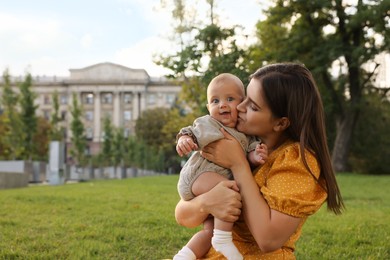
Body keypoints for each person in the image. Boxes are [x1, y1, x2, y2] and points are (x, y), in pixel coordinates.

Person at [175, 63, 344, 259]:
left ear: (281, 123)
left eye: (253, 106)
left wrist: (238, 164)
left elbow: (268, 239)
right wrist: (206, 202)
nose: (239, 106)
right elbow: (182, 215)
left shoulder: (295, 161)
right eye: (244, 97)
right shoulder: (237, 141)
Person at [174, 73, 268, 260]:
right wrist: (184, 139)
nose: (222, 105)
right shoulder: (210, 123)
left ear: (242, 105)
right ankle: (223, 239)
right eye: (215, 101)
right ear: (208, 107)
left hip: (209, 184)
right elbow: (191, 132)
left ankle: (184, 256)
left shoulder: (246, 134)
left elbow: (247, 155)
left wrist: (256, 156)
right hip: (199, 175)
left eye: (230, 99)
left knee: (209, 231)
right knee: (231, 190)